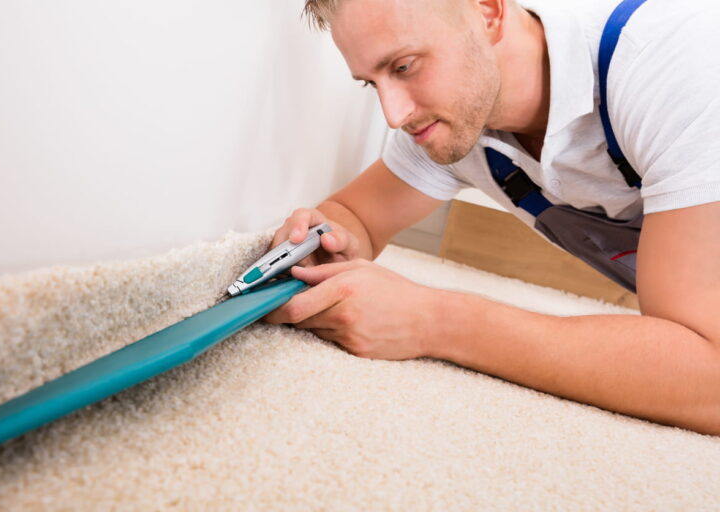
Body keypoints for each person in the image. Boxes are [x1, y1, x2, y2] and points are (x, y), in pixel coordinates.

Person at [263, 0, 720, 435]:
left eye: (404, 67)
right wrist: (322, 240)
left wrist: (432, 319)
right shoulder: (458, 122)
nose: (393, 114)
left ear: (488, 11)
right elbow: (356, 218)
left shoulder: (678, 65)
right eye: (371, 82)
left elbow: (709, 380)